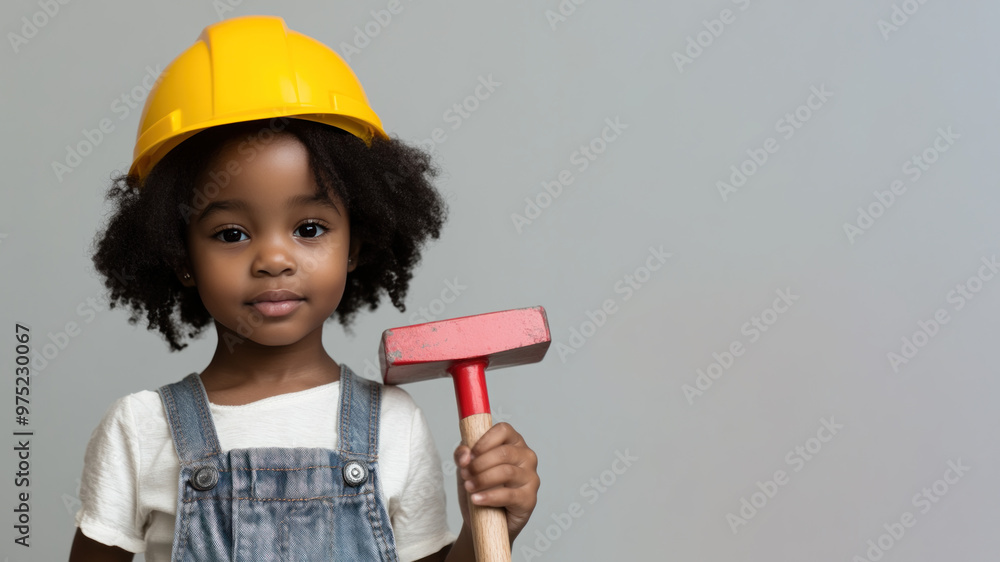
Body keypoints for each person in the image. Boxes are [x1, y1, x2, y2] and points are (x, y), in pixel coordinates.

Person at [68, 15, 539, 562]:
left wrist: (493, 524)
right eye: (232, 234)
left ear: (355, 243)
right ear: (180, 256)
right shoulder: (139, 429)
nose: (273, 258)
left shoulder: (394, 423)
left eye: (309, 229)